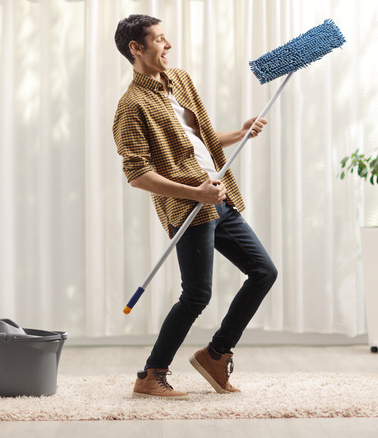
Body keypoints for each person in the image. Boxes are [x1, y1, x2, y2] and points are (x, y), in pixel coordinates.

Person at [112, 14, 277, 400]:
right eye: (159, 39)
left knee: (263, 272)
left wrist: (240, 132)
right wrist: (196, 195)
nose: (168, 46)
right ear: (136, 48)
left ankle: (216, 355)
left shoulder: (180, 80)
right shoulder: (130, 106)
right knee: (197, 294)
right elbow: (137, 174)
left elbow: (199, 138)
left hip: (219, 195)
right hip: (189, 208)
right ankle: (150, 375)